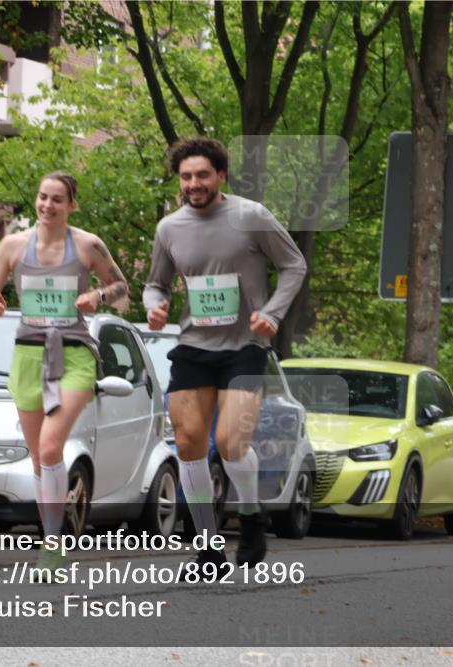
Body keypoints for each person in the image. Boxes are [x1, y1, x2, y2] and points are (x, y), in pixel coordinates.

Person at [143, 137, 307, 573]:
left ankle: (251, 514)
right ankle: (208, 547)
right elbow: (156, 283)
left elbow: (295, 266)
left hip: (246, 346)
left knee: (231, 443)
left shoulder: (251, 216)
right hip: (195, 344)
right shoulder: (169, 228)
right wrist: (153, 307)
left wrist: (272, 314)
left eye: (202, 175)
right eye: (185, 177)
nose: (193, 184)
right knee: (189, 444)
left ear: (220, 176)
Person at [0, 171, 129, 572]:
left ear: (71, 205)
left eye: (57, 199)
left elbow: (122, 289)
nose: (47, 205)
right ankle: (52, 533)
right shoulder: (13, 245)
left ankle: (52, 545)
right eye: (43, 197)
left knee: (50, 448)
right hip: (27, 353)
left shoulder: (88, 245)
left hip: (74, 352)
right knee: (39, 460)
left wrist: (98, 295)